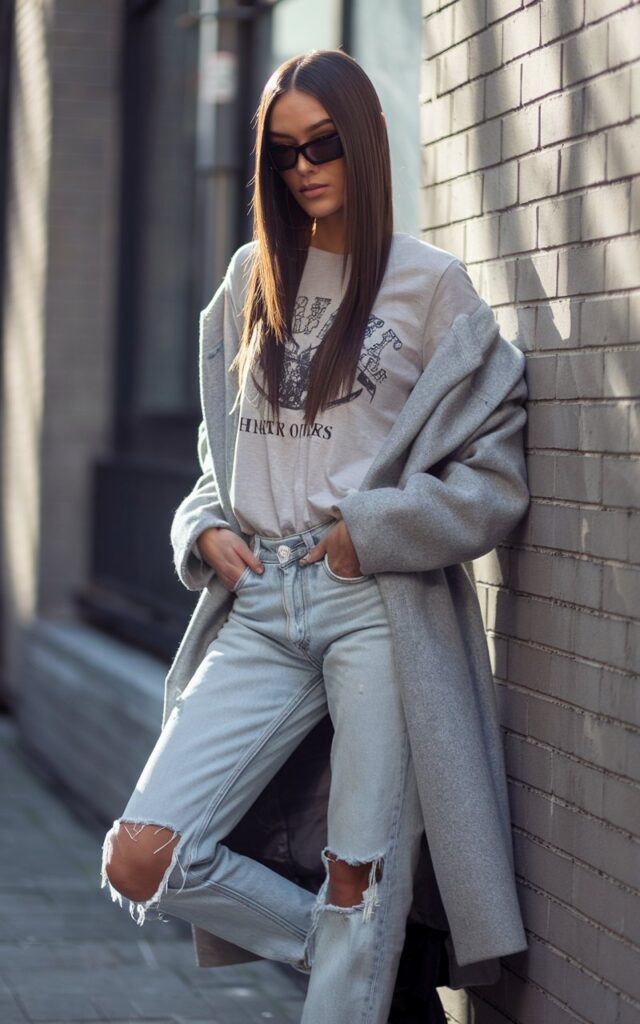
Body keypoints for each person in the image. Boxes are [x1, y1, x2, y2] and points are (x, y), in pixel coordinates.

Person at [100, 48, 529, 1023]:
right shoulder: (252, 276)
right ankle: (357, 949)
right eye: (284, 151)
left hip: (370, 602)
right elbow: (230, 454)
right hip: (256, 602)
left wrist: (367, 532)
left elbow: (495, 482)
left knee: (356, 875)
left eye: (324, 143)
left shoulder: (430, 289)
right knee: (143, 853)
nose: (304, 167)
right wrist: (204, 524)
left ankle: (357, 945)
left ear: (364, 143)